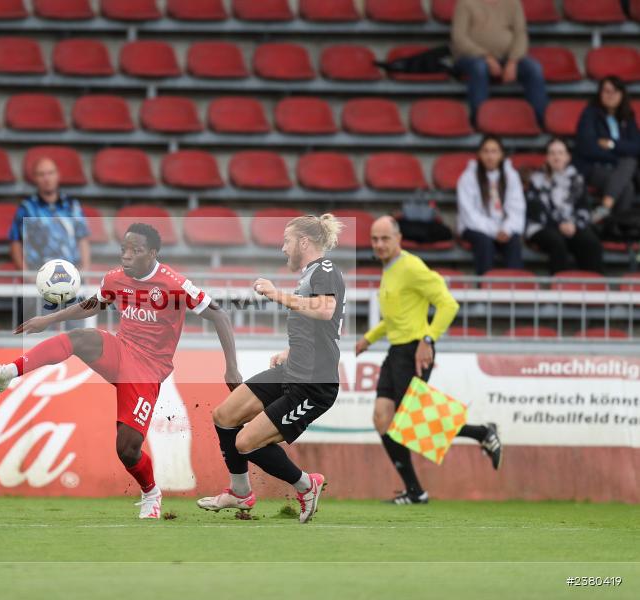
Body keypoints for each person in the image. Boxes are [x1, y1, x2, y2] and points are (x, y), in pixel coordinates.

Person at [0, 223, 242, 519]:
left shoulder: (174, 284)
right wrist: (47, 320)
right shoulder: (115, 279)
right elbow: (93, 305)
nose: (126, 256)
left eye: (135, 251)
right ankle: (8, 373)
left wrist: (231, 366)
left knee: (127, 449)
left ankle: (151, 491)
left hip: (147, 370)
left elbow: (219, 314)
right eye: (123, 250)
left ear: (152, 253)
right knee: (81, 338)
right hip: (121, 350)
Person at [196, 214, 345, 524]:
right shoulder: (310, 275)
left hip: (313, 384)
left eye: (287, 241)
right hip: (293, 370)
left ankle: (306, 484)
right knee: (224, 416)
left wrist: (276, 293)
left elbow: (326, 308)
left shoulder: (326, 269)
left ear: (304, 242)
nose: (283, 248)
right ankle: (240, 493)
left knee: (246, 442)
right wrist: (290, 351)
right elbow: (323, 326)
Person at [355, 216, 502, 505]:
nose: (379, 244)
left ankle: (483, 433)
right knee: (382, 418)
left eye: (385, 238)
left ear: (398, 239)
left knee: (411, 418)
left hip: (413, 352)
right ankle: (415, 491)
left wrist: (429, 339)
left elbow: (448, 303)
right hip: (396, 351)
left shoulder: (411, 267)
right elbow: (395, 318)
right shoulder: (390, 270)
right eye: (375, 239)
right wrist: (369, 338)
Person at [9, 156, 91, 330]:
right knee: (41, 332)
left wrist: (85, 269)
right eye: (41, 174)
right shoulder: (27, 208)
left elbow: (82, 238)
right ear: (35, 179)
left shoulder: (72, 205)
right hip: (40, 279)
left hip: (71, 278)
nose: (46, 178)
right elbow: (16, 241)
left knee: (77, 332)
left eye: (50, 173)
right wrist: (26, 273)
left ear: (57, 175)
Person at [451, 0, 548, 126]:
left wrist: (513, 60)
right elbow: (459, 38)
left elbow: (521, 34)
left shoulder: (513, 3)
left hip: (507, 58)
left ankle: (540, 122)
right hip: (471, 57)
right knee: (479, 68)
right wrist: (486, 56)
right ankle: (479, 120)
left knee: (533, 68)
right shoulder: (465, 3)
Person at [526, 138, 604, 274]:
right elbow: (537, 211)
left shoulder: (577, 180)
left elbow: (584, 209)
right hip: (542, 227)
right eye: (552, 153)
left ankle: (592, 288)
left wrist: (573, 224)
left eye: (561, 153)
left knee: (591, 243)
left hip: (571, 226)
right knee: (557, 242)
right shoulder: (536, 181)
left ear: (568, 157)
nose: (557, 157)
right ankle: (559, 290)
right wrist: (559, 225)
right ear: (546, 157)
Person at [573, 76, 640, 223]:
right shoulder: (590, 114)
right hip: (594, 167)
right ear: (600, 94)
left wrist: (612, 145)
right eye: (606, 91)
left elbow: (637, 146)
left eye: (615, 91)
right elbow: (588, 147)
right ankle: (617, 227)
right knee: (628, 164)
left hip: (619, 169)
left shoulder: (628, 117)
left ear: (622, 94)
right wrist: (620, 156)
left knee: (628, 185)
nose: (610, 95)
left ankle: (606, 211)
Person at [457, 135, 526, 275]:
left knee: (514, 242)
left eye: (494, 151)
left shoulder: (511, 175)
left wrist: (507, 228)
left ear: (501, 154)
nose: (490, 156)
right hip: (474, 228)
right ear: (479, 154)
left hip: (503, 229)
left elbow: (517, 207)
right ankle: (484, 291)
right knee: (485, 242)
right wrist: (494, 230)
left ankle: (514, 292)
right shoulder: (468, 177)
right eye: (486, 151)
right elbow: (468, 213)